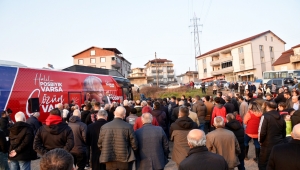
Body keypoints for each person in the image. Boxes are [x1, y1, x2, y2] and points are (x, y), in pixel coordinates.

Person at [258, 101, 286, 170]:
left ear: (267, 107)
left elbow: (261, 132)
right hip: (278, 143)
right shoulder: (281, 117)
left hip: (267, 144)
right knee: (275, 163)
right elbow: (283, 132)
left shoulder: (265, 116)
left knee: (263, 164)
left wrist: (260, 141)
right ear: (276, 108)